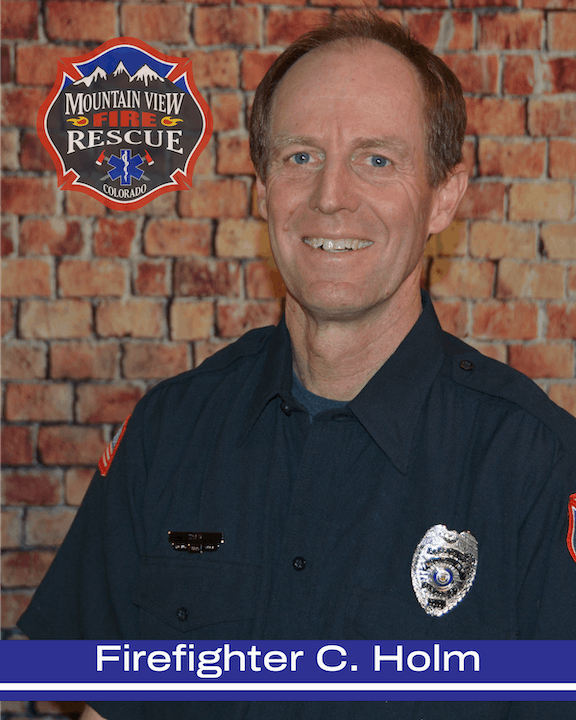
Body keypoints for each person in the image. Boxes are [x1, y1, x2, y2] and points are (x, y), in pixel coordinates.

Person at [18, 12, 576, 720]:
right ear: (262, 190)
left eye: (377, 159)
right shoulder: (170, 430)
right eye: (300, 156)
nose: (330, 197)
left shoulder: (535, 464)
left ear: (444, 196)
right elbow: (73, 696)